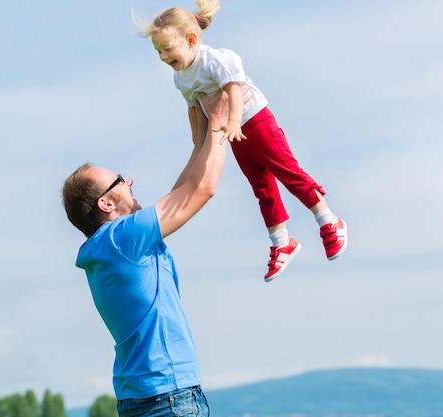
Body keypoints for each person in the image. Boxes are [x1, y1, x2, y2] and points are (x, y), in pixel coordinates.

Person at [132, 0, 348, 282]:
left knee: (287, 170)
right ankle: (281, 241)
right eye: (158, 51)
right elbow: (193, 106)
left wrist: (233, 121)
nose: (162, 56)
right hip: (233, 132)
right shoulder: (180, 78)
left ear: (191, 40)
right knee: (261, 186)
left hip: (255, 121)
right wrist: (198, 136)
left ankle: (328, 220)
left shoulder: (216, 60)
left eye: (167, 49)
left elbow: (235, 89)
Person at [62, 91, 230, 417]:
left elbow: (180, 194)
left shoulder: (109, 247)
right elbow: (202, 189)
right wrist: (221, 127)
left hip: (144, 399)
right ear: (106, 204)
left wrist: (200, 143)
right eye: (121, 180)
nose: (130, 181)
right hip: (170, 397)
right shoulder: (121, 238)